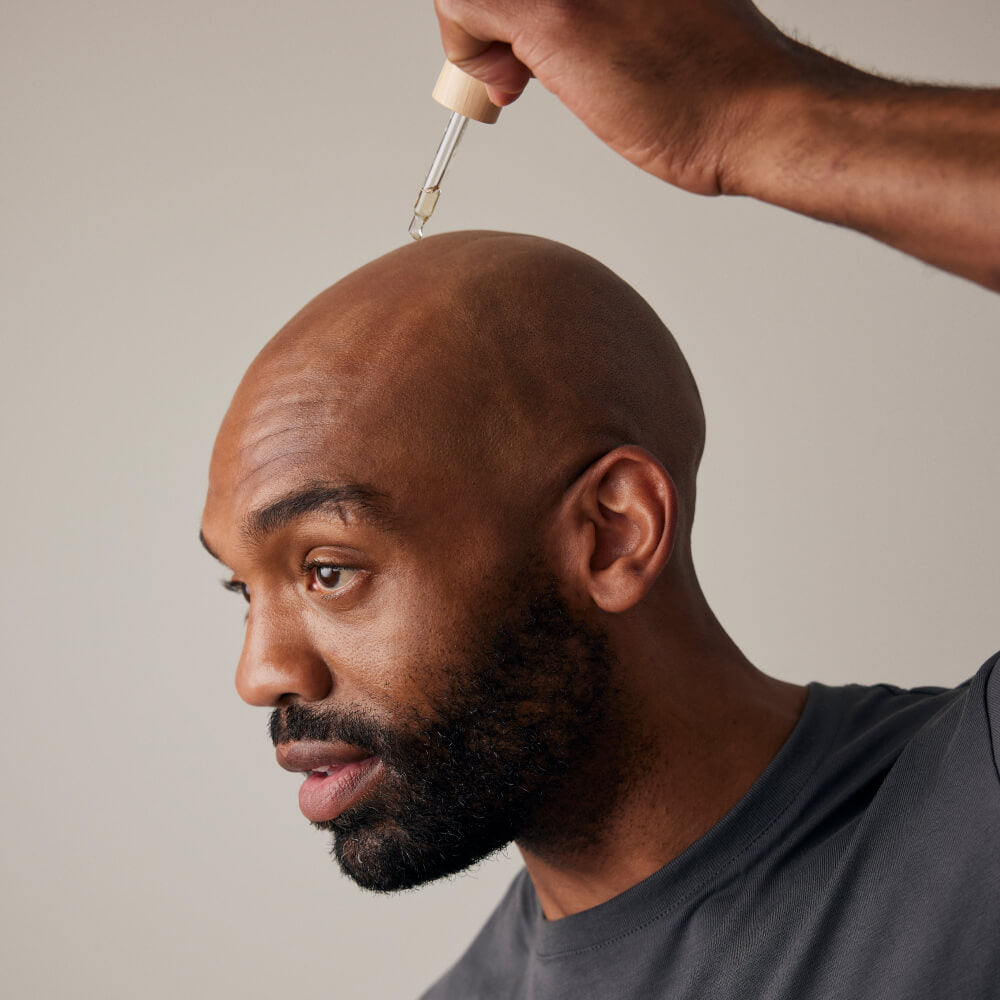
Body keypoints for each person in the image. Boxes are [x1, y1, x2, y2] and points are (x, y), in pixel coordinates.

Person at [200, 3, 999, 997]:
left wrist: (751, 111)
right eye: (245, 589)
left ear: (612, 532)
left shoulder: (970, 818)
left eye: (327, 568)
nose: (259, 672)